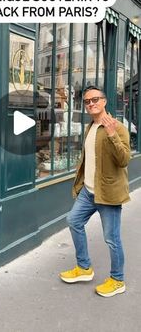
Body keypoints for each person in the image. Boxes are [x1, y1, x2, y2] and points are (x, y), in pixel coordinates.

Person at [59, 85, 131, 297]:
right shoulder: (90, 127)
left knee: (112, 238)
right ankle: (84, 268)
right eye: (87, 101)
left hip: (108, 193)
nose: (91, 104)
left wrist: (111, 135)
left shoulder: (118, 128)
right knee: (73, 221)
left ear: (105, 101)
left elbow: (124, 160)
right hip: (88, 192)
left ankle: (118, 280)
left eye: (95, 99)